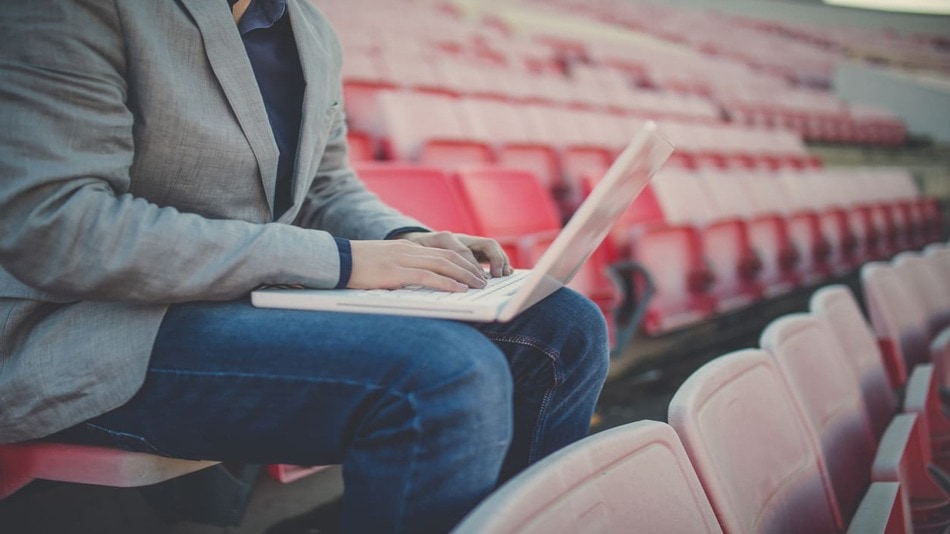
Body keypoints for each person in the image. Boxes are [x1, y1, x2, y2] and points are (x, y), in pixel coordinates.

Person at [0, 1, 609, 532]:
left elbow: (325, 188)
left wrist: (413, 241)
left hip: (235, 301)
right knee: (442, 376)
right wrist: (340, 261)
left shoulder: (309, 29)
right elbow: (61, 227)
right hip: (86, 327)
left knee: (561, 328)